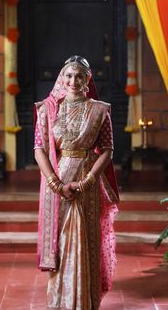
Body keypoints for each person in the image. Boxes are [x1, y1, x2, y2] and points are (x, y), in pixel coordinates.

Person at [34, 55, 119, 310]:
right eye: (68, 75)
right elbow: (39, 149)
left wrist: (88, 181)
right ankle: (60, 302)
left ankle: (86, 303)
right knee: (61, 244)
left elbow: (107, 150)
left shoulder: (99, 109)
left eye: (79, 76)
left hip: (88, 184)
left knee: (85, 241)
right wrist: (56, 185)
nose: (73, 80)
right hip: (57, 183)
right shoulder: (47, 109)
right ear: (62, 77)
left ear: (87, 80)